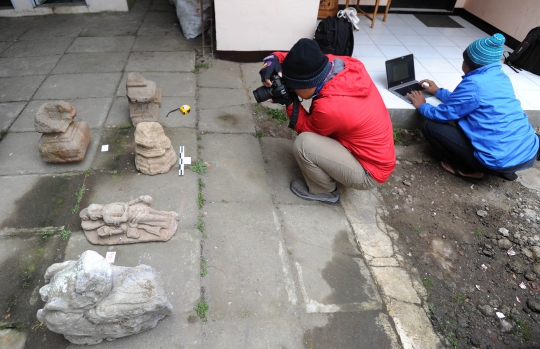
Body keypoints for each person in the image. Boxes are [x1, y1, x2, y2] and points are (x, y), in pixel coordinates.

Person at [259, 38, 395, 203]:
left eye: (293, 87)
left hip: (369, 171)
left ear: (306, 85)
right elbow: (301, 60)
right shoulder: (343, 64)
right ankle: (334, 167)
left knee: (304, 144)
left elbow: (305, 128)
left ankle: (324, 191)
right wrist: (273, 59)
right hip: (371, 152)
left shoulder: (331, 108)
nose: (292, 89)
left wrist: (289, 102)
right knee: (317, 137)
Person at [408, 33, 539, 184]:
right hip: (528, 152)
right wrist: (438, 92)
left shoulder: (474, 84)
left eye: (464, 60)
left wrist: (422, 106)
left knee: (429, 127)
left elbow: (443, 114)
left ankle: (470, 170)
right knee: (471, 120)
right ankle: (506, 169)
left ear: (469, 64)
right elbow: (467, 101)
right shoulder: (499, 77)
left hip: (499, 160)